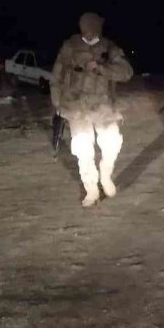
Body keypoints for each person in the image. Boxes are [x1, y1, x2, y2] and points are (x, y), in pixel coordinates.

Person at [50, 12, 134, 207]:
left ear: (98, 29)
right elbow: (56, 76)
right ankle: (91, 189)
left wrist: (102, 69)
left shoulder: (109, 47)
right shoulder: (70, 47)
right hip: (77, 106)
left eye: (91, 29)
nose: (87, 33)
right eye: (84, 29)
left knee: (112, 143)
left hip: (103, 106)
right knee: (83, 149)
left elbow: (126, 72)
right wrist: (57, 103)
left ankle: (106, 174)